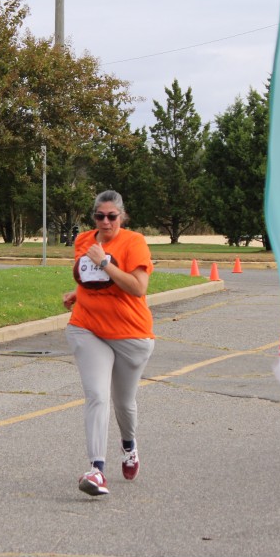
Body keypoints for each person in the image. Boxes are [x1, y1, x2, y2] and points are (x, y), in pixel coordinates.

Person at [62, 190, 155, 496]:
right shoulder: (83, 241)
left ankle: (128, 445)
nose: (105, 222)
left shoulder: (134, 242)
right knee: (97, 396)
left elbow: (138, 288)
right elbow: (90, 281)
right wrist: (77, 294)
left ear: (122, 216)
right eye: (99, 216)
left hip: (131, 334)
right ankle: (96, 470)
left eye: (111, 216)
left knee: (123, 402)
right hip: (87, 328)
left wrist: (104, 262)